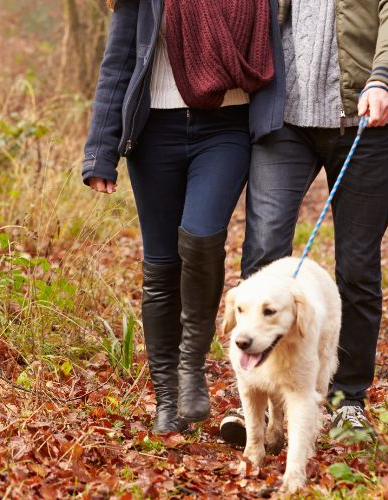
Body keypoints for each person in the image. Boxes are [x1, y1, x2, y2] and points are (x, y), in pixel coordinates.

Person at [219, 0, 388, 443]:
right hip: (284, 120)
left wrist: (386, 76)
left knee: (356, 268)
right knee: (262, 255)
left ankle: (347, 400)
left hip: (365, 120)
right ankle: (257, 397)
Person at [80, 0, 285, 434]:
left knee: (202, 237)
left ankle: (191, 364)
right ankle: (167, 401)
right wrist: (100, 152)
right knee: (160, 266)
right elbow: (118, 64)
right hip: (154, 134)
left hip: (225, 129)